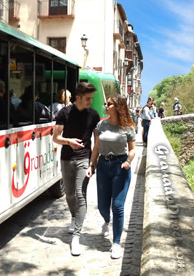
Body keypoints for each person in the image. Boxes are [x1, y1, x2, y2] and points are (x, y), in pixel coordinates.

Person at [52, 82, 100, 256]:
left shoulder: (94, 115)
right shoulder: (64, 113)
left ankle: (76, 237)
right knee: (70, 194)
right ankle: (74, 217)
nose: (90, 101)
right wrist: (69, 141)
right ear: (78, 98)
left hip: (84, 159)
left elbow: (97, 142)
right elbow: (55, 138)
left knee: (80, 194)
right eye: (88, 99)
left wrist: (92, 163)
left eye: (91, 98)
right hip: (66, 158)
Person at [88, 94, 136, 259]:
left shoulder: (128, 127)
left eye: (109, 104)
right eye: (106, 104)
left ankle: (116, 243)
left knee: (117, 205)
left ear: (117, 107)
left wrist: (129, 160)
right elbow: (96, 147)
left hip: (120, 167)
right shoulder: (101, 124)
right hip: (103, 166)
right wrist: (91, 165)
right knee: (102, 205)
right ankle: (106, 221)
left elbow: (133, 149)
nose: (106, 106)